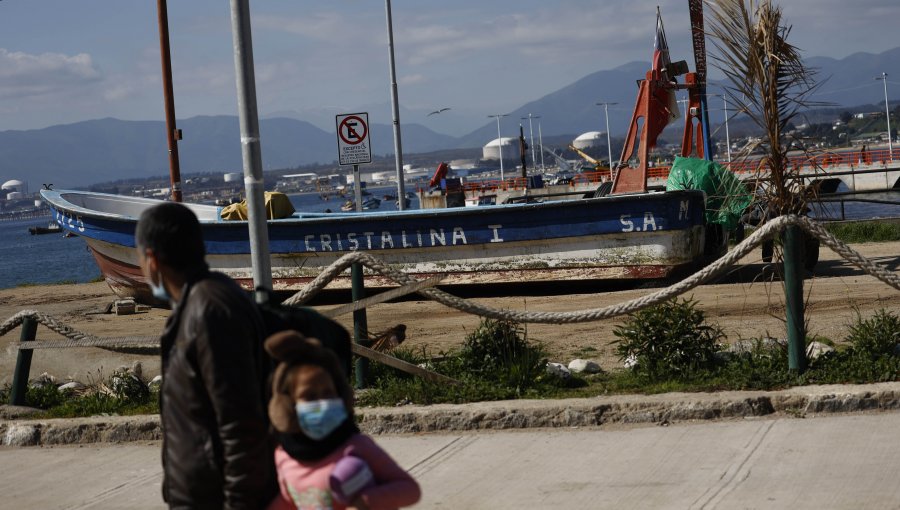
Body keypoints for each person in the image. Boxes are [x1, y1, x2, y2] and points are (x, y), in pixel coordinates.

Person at [135, 202, 274, 509]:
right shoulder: (201, 302)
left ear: (152, 259)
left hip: (216, 497)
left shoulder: (209, 311)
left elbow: (240, 422)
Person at [264, 330, 421, 510]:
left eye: (328, 393)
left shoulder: (356, 446)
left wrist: (366, 502)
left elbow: (410, 489)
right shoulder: (284, 456)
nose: (322, 402)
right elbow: (288, 500)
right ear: (287, 407)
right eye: (310, 396)